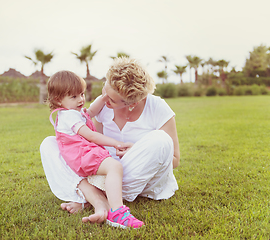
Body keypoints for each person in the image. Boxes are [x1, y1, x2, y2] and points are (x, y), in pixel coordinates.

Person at [40, 57, 180, 224]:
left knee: (161, 139)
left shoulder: (158, 108)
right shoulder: (103, 107)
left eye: (111, 100)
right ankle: (100, 200)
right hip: (107, 174)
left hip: (139, 175)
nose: (105, 99)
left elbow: (175, 160)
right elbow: (92, 143)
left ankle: (91, 195)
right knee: (50, 144)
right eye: (104, 91)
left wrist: (136, 151)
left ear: (131, 103)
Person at [45, 70, 144, 229]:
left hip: (83, 154)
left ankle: (95, 203)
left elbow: (90, 112)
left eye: (82, 94)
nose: (80, 99)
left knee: (111, 169)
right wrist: (116, 143)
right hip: (82, 155)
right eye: (74, 96)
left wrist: (104, 97)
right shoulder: (69, 116)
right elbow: (91, 135)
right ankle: (117, 212)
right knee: (114, 167)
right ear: (58, 100)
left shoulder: (72, 112)